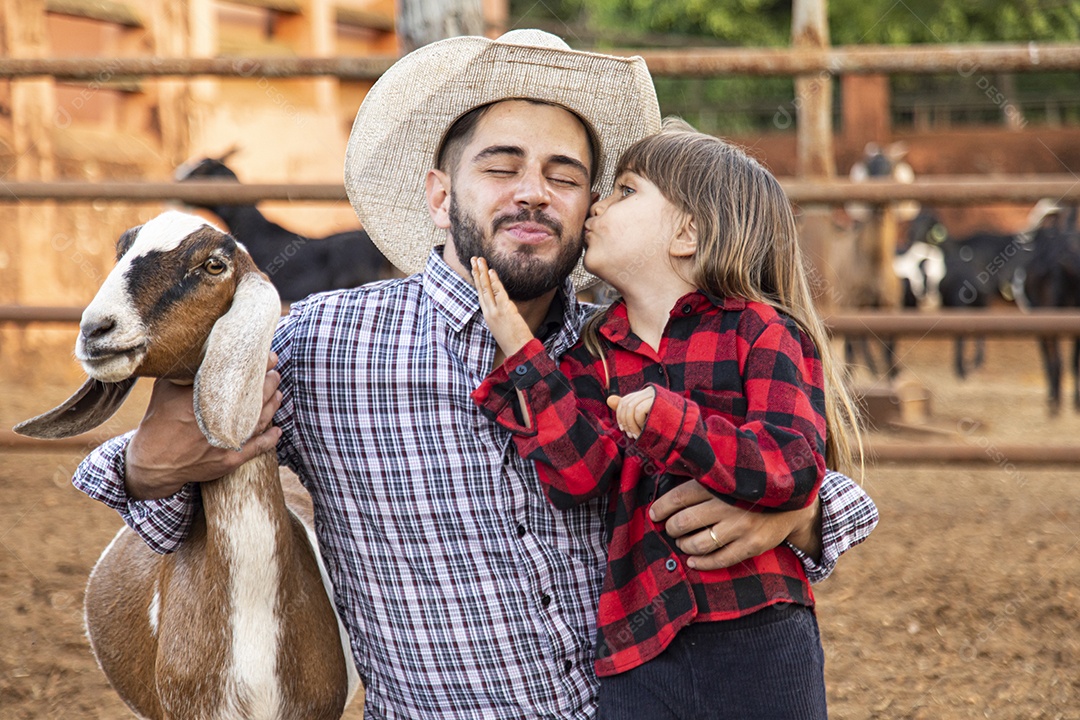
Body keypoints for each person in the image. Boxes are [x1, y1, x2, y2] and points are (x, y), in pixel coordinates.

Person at [71, 30, 878, 719]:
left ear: (589, 207)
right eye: (501, 166)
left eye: (564, 175)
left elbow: (807, 464)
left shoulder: (627, 349)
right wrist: (141, 468)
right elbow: (183, 492)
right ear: (438, 193)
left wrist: (800, 516)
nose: (534, 192)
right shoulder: (322, 347)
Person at [471, 119, 864, 719]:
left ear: (687, 233)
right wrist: (523, 357)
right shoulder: (589, 354)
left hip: (759, 629)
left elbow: (791, 465)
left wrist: (672, 422)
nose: (597, 205)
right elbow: (580, 479)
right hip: (639, 642)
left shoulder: (760, 331)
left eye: (626, 191)